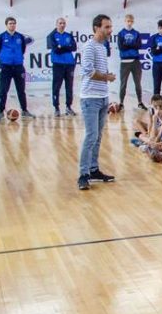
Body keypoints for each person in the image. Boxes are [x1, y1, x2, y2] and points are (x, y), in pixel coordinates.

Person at [78, 14, 116, 191]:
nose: (110, 30)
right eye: (106, 27)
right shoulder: (89, 47)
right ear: (96, 28)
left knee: (98, 136)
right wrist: (107, 77)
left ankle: (93, 169)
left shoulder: (102, 47)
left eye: (110, 27)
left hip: (102, 97)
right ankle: (83, 174)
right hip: (90, 98)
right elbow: (88, 71)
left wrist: (106, 79)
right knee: (91, 135)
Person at [0, 16, 35, 121]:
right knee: (3, 90)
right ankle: (0, 111)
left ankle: (24, 110)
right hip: (6, 67)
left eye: (14, 23)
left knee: (21, 90)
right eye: (10, 23)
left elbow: (23, 50)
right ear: (6, 25)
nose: (12, 25)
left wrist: (16, 58)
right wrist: (5, 59)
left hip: (18, 67)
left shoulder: (20, 37)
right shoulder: (0, 37)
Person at [47, 17, 77, 117]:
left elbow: (74, 47)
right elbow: (56, 50)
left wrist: (62, 47)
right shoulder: (52, 36)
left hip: (69, 64)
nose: (62, 25)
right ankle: (56, 108)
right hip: (58, 64)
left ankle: (69, 107)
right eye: (60, 23)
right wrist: (66, 47)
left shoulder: (69, 35)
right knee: (56, 86)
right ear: (56, 24)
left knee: (69, 86)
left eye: (64, 23)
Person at [117, 14, 147, 110]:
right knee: (123, 84)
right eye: (128, 21)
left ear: (133, 22)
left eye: (131, 21)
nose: (129, 23)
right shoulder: (121, 33)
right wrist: (131, 44)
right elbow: (121, 47)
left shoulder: (136, 33)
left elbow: (138, 46)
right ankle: (121, 103)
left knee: (138, 83)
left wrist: (128, 44)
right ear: (125, 21)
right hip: (124, 61)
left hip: (135, 61)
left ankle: (140, 102)